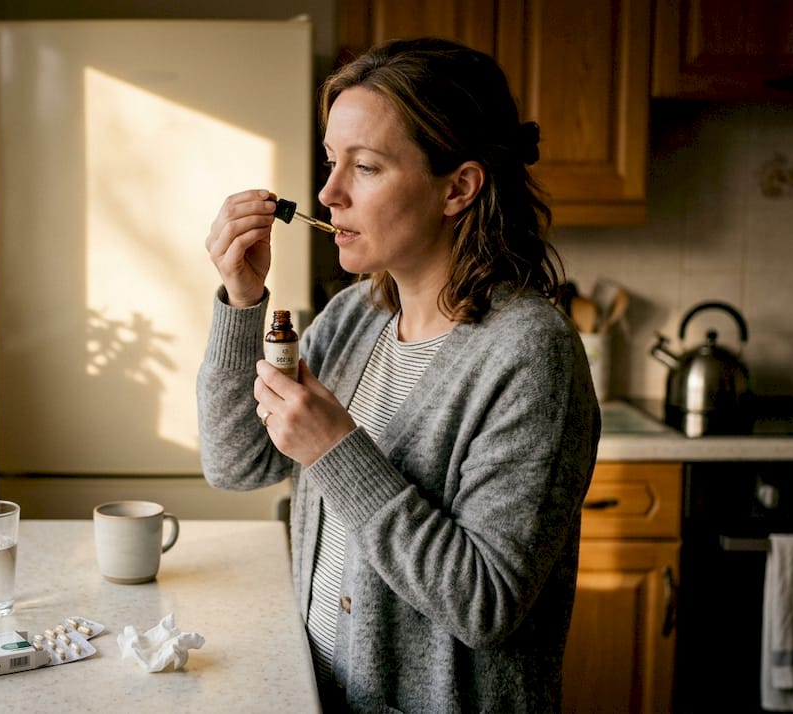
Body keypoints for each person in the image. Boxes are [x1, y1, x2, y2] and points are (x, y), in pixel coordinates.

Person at [197, 37, 600, 713]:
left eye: (368, 168)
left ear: (459, 187)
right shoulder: (354, 317)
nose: (329, 193)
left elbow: (485, 604)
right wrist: (242, 301)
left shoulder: (528, 354)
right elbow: (236, 464)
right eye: (332, 163)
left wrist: (335, 450)